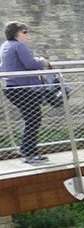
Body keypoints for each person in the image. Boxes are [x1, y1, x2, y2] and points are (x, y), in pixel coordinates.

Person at [0, 21, 50, 164]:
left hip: (12, 89)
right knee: (33, 119)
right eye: (25, 32)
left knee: (31, 119)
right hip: (23, 89)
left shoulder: (5, 46)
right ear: (16, 34)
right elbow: (30, 64)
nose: (27, 35)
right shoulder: (19, 46)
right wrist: (42, 61)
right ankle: (28, 152)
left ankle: (29, 151)